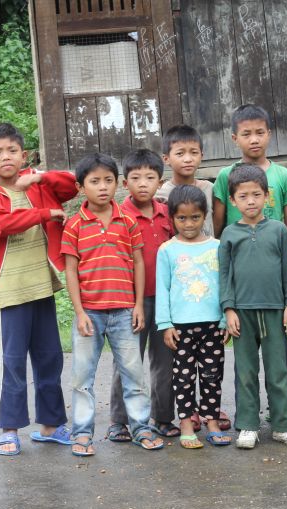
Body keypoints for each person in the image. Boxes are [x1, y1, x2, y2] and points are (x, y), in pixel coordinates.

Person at [0, 123, 75, 456]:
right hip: (10, 290)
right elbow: (1, 225)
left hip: (42, 286)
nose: (6, 157)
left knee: (50, 358)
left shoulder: (35, 182)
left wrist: (41, 178)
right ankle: (9, 429)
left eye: (12, 151)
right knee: (12, 362)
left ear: (24, 155)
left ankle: (49, 425)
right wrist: (45, 212)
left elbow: (72, 186)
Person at [62, 153, 164, 455]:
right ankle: (82, 434)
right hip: (89, 314)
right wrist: (79, 312)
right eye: (94, 181)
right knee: (82, 378)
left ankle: (141, 428)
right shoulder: (74, 225)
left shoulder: (127, 221)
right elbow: (70, 269)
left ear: (117, 184)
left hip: (123, 312)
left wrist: (136, 305)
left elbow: (138, 263)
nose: (102, 187)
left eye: (108, 180)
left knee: (134, 376)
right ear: (82, 187)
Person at [218, 165, 287, 449]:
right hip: (241, 313)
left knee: (277, 369)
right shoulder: (229, 235)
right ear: (233, 200)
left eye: (257, 194)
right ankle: (247, 425)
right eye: (244, 196)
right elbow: (224, 275)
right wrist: (228, 309)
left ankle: (283, 425)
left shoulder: (279, 230)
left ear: (267, 196)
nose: (251, 201)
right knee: (244, 371)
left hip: (274, 311)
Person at [155, 124, 231, 431]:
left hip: (212, 319)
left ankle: (211, 419)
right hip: (181, 322)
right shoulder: (167, 250)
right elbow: (163, 288)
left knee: (212, 374)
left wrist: (226, 316)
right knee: (182, 375)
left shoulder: (217, 245)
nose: (189, 222)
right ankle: (187, 423)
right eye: (182, 218)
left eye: (195, 217)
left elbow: (225, 282)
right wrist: (165, 323)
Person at [106, 149, 175, 443]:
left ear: (160, 182)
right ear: (125, 183)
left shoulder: (167, 215)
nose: (143, 183)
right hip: (131, 302)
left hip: (166, 301)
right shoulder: (118, 217)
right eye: (135, 177)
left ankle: (163, 417)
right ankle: (119, 421)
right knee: (127, 361)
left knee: (165, 361)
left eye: (150, 177)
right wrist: (130, 303)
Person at [213, 104, 287, 236]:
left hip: (273, 247)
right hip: (236, 249)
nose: (254, 140)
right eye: (246, 134)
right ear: (235, 139)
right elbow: (218, 223)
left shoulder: (284, 175)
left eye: (260, 133)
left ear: (268, 134)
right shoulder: (226, 175)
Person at [155, 124, 215, 237]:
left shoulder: (209, 188)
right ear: (166, 159)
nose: (188, 159)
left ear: (201, 156)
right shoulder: (161, 194)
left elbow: (216, 222)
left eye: (194, 152)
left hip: (209, 252)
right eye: (180, 153)